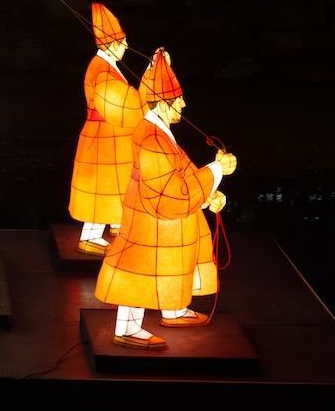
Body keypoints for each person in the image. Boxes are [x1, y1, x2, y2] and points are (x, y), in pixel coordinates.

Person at [95, 48, 237, 349]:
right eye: (178, 101)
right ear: (161, 104)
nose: (183, 105)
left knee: (173, 263)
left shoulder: (159, 133)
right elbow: (170, 193)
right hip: (152, 218)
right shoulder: (151, 140)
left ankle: (174, 309)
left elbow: (183, 171)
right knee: (141, 271)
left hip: (163, 216)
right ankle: (128, 329)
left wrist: (209, 193)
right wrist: (214, 171)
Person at [68, 3, 149, 255]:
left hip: (112, 136)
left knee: (118, 184)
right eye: (123, 42)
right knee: (101, 187)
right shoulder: (102, 71)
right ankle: (90, 235)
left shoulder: (107, 67)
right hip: (103, 138)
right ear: (113, 43)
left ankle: (117, 222)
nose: (126, 47)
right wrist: (147, 85)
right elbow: (124, 102)